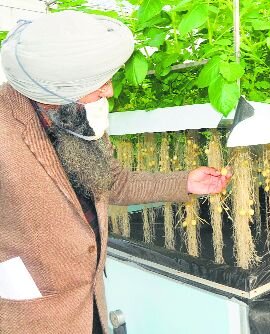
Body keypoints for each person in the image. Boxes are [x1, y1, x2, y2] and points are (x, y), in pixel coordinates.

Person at [0, 11, 231, 334]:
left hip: (90, 301)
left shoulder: (79, 115)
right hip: (32, 315)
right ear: (58, 87)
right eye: (98, 82)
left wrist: (185, 181)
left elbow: (113, 183)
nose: (108, 91)